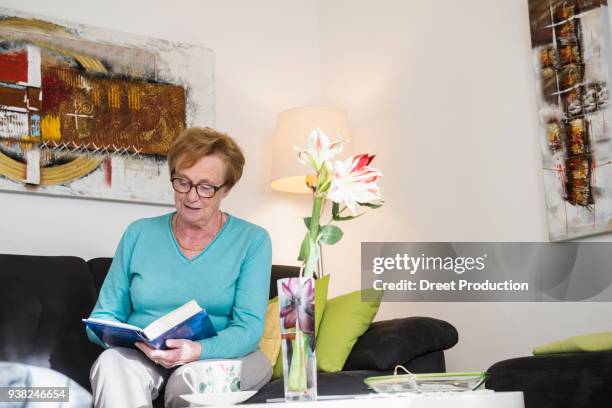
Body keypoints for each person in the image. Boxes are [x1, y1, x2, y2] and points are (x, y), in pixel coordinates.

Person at [86, 127, 273, 408]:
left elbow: (248, 329)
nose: (191, 196)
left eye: (206, 187)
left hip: (227, 358)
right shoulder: (139, 234)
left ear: (227, 189)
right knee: (110, 364)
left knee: (186, 382)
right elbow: (103, 315)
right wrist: (134, 342)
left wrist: (195, 350)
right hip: (147, 355)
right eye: (182, 182)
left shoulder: (253, 240)